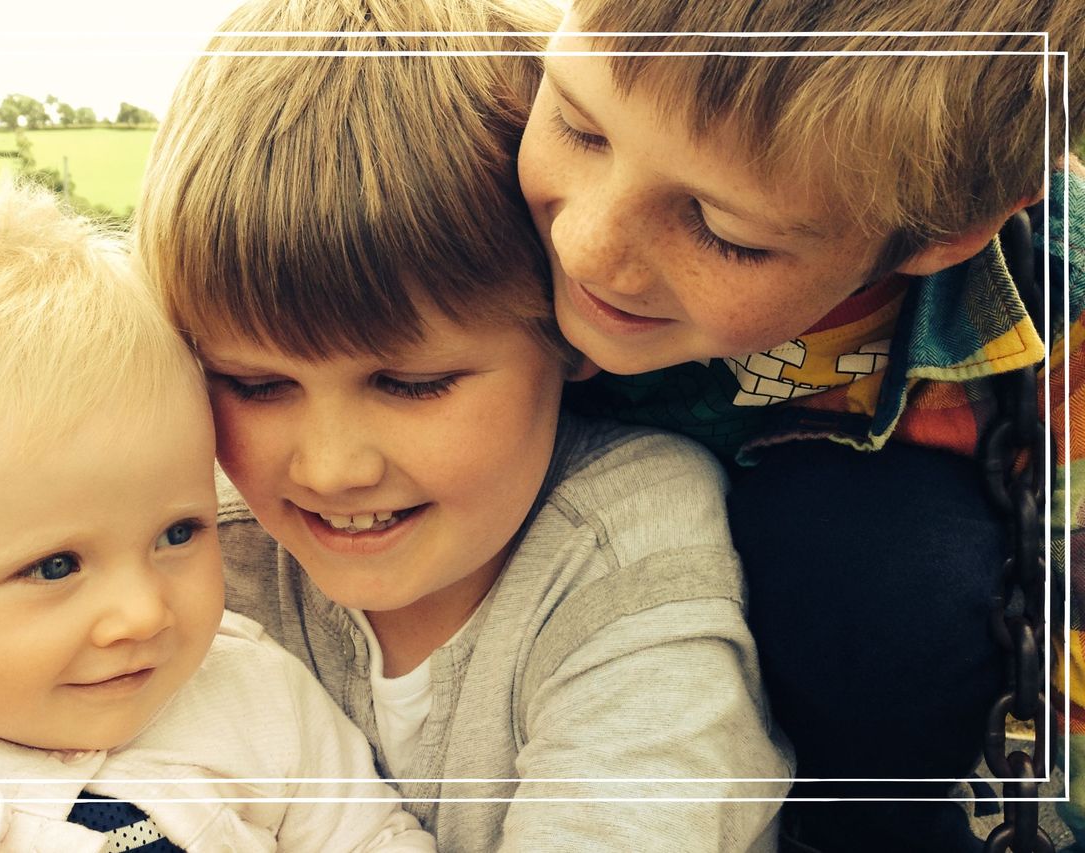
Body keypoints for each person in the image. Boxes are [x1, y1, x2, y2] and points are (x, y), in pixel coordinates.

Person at [134, 0, 794, 850]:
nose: (331, 468)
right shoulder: (192, 548)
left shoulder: (623, 540)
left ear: (573, 327)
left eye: (413, 384)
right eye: (256, 384)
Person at [514, 1, 1084, 851]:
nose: (588, 247)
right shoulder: (457, 137)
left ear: (947, 233)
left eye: (724, 230)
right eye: (578, 126)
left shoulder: (1060, 303)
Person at [0, 174, 434, 852]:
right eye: (55, 565)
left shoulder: (255, 696)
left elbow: (373, 838)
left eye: (177, 532)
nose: (143, 612)